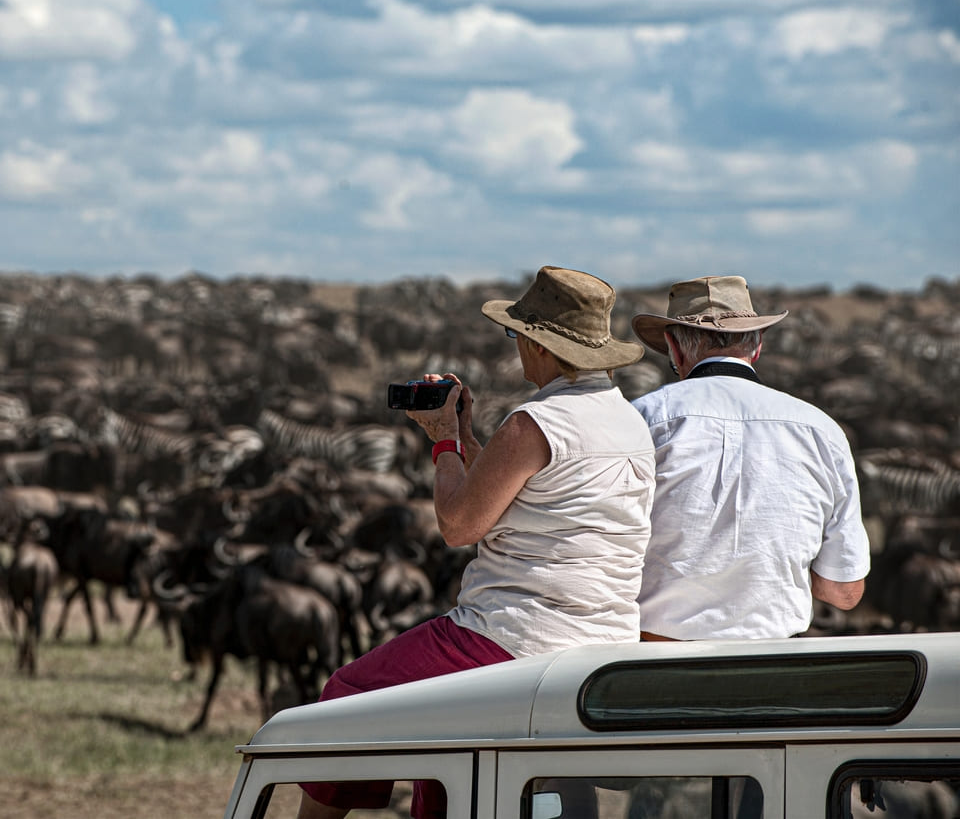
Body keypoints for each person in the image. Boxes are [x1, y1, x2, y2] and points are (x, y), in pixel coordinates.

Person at [297, 266, 656, 819]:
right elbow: (532, 492)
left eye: (517, 336)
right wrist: (468, 440)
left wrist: (444, 446)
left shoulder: (534, 422)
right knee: (446, 751)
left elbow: (461, 526)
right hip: (604, 638)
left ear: (540, 344)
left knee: (347, 696)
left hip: (515, 634)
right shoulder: (629, 423)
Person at [629, 275, 871, 641]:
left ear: (674, 350)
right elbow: (845, 592)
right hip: (773, 664)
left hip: (653, 661)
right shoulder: (822, 430)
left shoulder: (641, 419)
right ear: (756, 347)